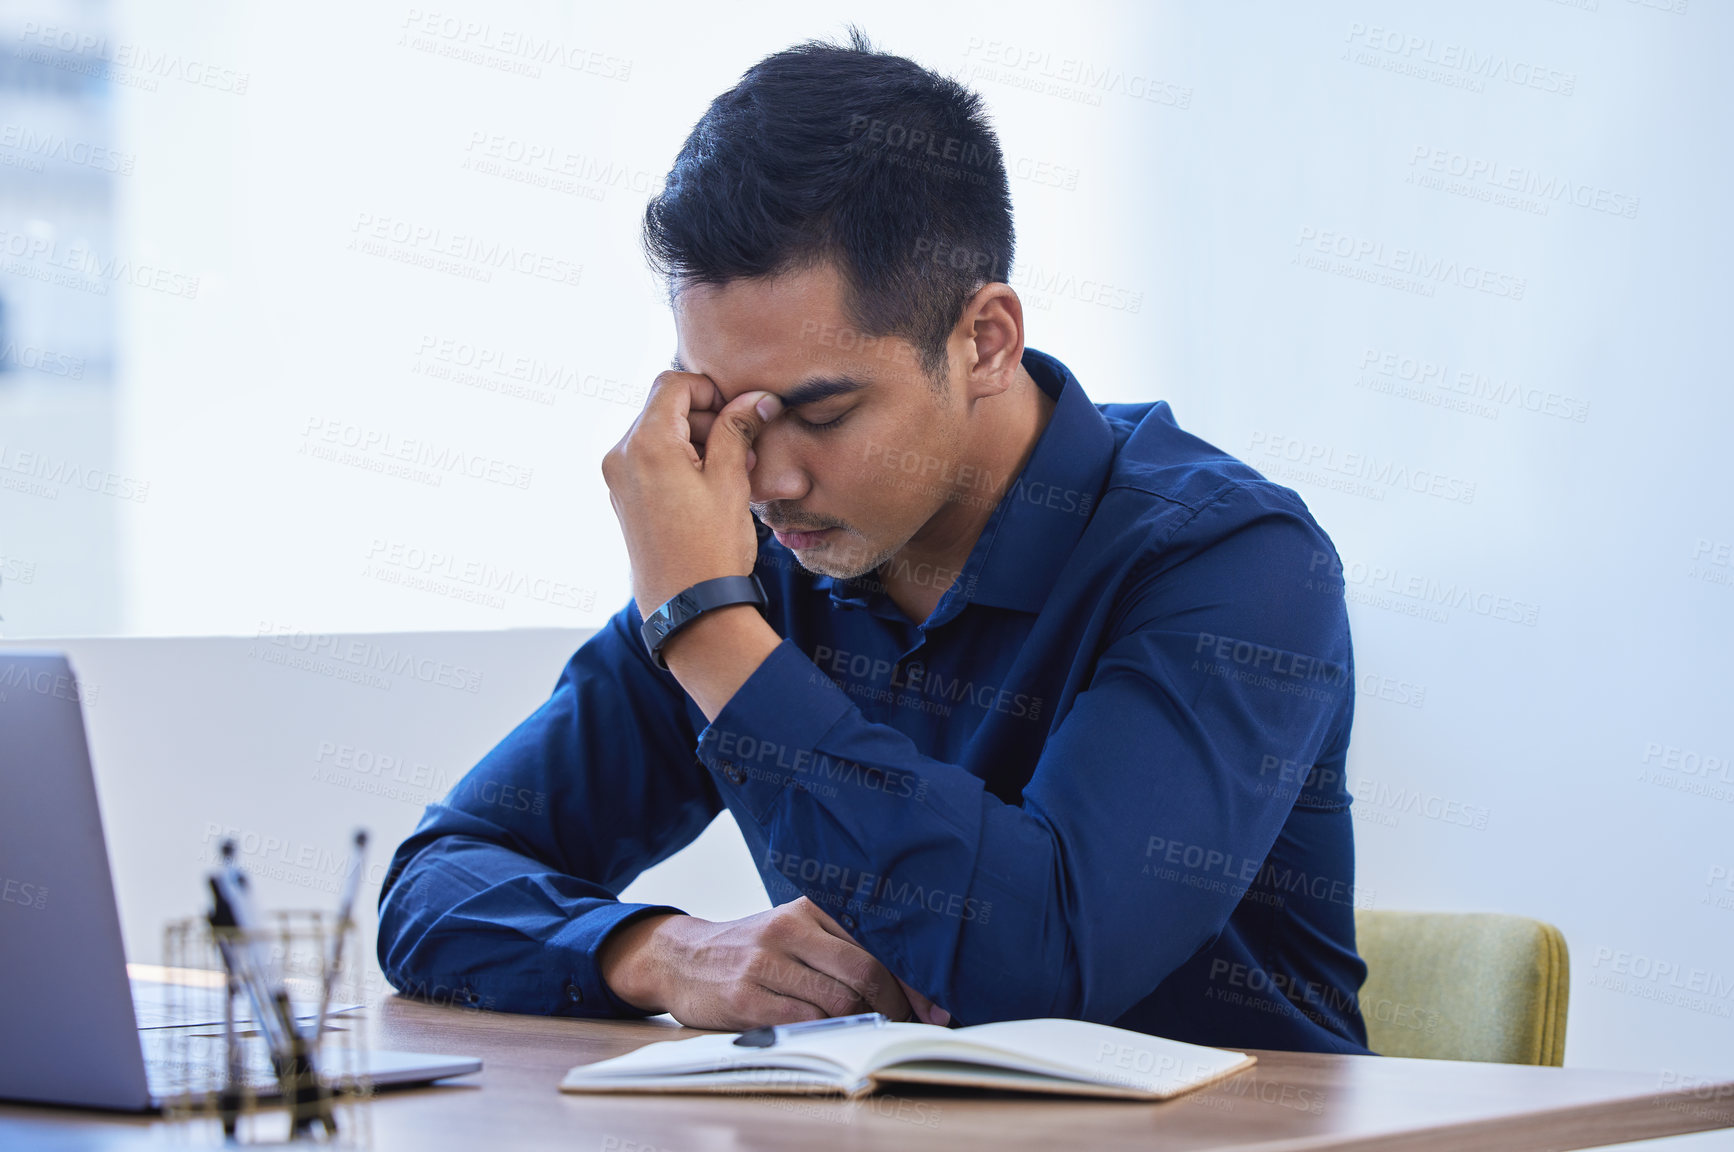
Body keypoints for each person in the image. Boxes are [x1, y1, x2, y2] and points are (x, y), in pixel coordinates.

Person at [378, 29, 1371, 1055]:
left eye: (823, 411)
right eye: (730, 415)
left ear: (984, 340)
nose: (768, 480)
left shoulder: (1234, 563)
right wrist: (662, 952)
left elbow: (1048, 967)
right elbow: (437, 883)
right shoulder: (752, 569)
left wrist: (709, 633)